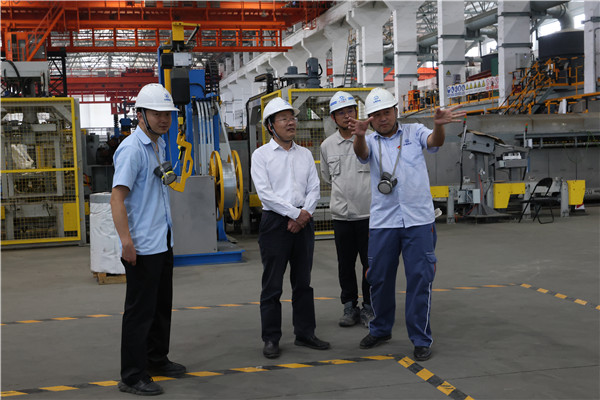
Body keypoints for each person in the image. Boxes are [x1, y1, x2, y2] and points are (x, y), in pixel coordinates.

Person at [349, 87, 465, 361]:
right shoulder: (369, 140)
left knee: (420, 279)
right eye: (376, 115)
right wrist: (359, 135)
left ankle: (420, 338)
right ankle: (380, 329)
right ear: (370, 119)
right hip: (384, 222)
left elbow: (434, 142)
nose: (382, 118)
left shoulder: (414, 132)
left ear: (395, 111)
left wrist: (439, 126)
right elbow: (361, 154)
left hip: (418, 220)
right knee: (379, 278)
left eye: (386, 112)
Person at [111, 83, 186, 396]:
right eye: (157, 114)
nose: (164, 119)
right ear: (140, 115)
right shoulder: (132, 150)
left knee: (160, 306)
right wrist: (126, 242)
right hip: (141, 244)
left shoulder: (159, 145)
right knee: (139, 312)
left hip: (162, 239)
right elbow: (117, 198)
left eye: (167, 114)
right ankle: (132, 376)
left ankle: (156, 359)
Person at [251, 97, 331, 359]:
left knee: (303, 282)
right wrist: (296, 214)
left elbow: (314, 188)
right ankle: (271, 338)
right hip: (275, 223)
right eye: (283, 119)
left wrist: (304, 215)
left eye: (292, 118)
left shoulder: (305, 154)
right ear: (270, 126)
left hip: (304, 222)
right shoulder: (261, 156)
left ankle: (305, 333)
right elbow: (265, 194)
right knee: (272, 284)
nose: (291, 122)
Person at [319, 91, 373, 328]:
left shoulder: (371, 139)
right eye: (340, 112)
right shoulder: (327, 146)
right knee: (345, 265)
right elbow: (327, 177)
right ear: (333, 118)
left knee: (370, 265)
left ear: (356, 112)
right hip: (342, 216)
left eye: (350, 110)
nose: (346, 115)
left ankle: (369, 306)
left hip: (370, 215)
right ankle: (349, 306)